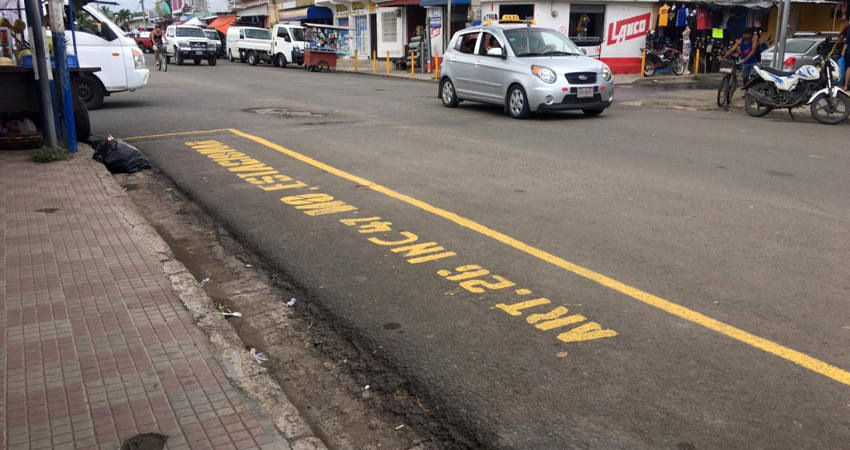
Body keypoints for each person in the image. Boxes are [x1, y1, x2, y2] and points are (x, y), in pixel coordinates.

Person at [831, 22, 850, 90]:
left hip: (848, 51)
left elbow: (847, 41)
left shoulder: (848, 28)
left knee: (848, 68)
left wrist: (843, 51)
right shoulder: (847, 28)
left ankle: (845, 86)